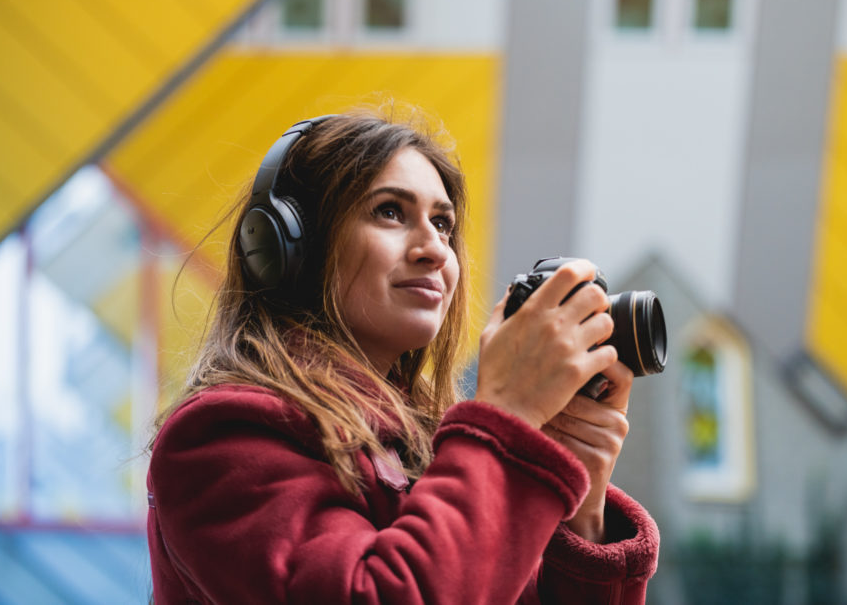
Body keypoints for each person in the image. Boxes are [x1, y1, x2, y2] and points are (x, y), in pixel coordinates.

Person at [146, 110, 659, 604]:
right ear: (290, 248)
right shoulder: (222, 437)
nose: (435, 248)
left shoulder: (440, 450)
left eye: (442, 223)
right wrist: (508, 419)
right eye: (390, 211)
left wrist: (583, 513)